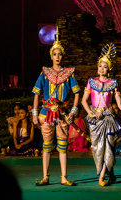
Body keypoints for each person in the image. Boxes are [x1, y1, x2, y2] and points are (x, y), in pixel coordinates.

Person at [81, 43, 121, 186]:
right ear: (97, 67)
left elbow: (119, 104)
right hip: (94, 120)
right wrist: (91, 113)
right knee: (98, 149)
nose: (102, 69)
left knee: (109, 147)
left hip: (109, 119)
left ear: (109, 69)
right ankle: (111, 174)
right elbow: (84, 101)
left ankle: (101, 177)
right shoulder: (91, 82)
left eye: (105, 66)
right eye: (100, 66)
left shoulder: (113, 83)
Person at [32, 26, 80, 186]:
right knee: (46, 145)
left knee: (63, 145)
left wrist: (74, 110)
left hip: (63, 114)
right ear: (51, 56)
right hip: (46, 113)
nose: (57, 56)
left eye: (59, 54)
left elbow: (77, 93)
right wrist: (34, 113)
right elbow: (37, 94)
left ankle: (64, 177)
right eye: (54, 54)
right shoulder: (45, 73)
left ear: (62, 56)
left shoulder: (69, 73)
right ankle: (45, 176)